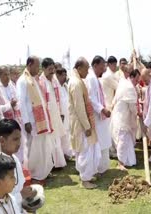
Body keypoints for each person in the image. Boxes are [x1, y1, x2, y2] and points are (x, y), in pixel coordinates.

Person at [0, 119, 40, 213]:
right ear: (2, 140)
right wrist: (20, 195)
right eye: (15, 139)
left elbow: (20, 188)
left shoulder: (15, 159)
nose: (19, 143)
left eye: (19, 138)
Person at [16, 56, 54, 182]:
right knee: (34, 149)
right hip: (32, 121)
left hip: (40, 120)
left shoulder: (33, 79)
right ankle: (35, 173)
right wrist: (26, 121)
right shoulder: (23, 81)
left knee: (43, 146)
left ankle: (43, 171)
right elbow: (21, 102)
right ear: (30, 64)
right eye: (37, 66)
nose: (38, 69)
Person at [68, 57, 101, 189]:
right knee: (84, 151)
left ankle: (88, 175)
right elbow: (79, 108)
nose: (88, 72)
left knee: (87, 149)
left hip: (83, 122)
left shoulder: (77, 81)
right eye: (87, 69)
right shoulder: (76, 83)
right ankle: (85, 180)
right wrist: (87, 126)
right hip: (81, 124)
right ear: (79, 68)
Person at [0, 66, 25, 163]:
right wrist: (9, 105)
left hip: (16, 120)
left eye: (8, 74)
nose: (8, 77)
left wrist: (15, 105)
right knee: (9, 147)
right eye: (5, 74)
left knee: (19, 144)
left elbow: (17, 100)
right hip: (5, 124)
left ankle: (19, 167)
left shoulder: (11, 85)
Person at [86, 56, 112, 175]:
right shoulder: (91, 78)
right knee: (99, 142)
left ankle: (102, 167)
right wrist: (102, 110)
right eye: (102, 67)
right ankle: (97, 167)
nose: (103, 70)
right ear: (95, 65)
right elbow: (91, 98)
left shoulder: (95, 78)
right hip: (96, 116)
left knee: (103, 140)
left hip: (100, 117)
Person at [110, 69, 140, 171]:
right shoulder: (129, 87)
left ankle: (128, 161)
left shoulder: (124, 84)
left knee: (127, 140)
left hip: (122, 117)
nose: (137, 82)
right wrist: (138, 113)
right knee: (122, 140)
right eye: (136, 80)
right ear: (131, 77)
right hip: (121, 118)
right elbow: (132, 107)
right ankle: (120, 163)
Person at [39, 58, 66, 169]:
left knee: (56, 138)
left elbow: (59, 97)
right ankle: (50, 164)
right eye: (49, 69)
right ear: (44, 69)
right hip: (46, 115)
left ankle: (58, 163)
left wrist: (61, 112)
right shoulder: (40, 81)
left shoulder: (54, 81)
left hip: (55, 113)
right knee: (48, 141)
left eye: (53, 69)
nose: (52, 71)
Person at [101, 56, 119, 159]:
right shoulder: (108, 76)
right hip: (108, 105)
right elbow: (119, 86)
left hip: (110, 104)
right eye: (114, 64)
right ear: (110, 64)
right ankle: (110, 151)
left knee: (111, 129)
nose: (115, 66)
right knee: (110, 130)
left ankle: (111, 150)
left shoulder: (111, 74)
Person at [56, 67, 74, 160]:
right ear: (57, 76)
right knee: (60, 137)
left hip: (67, 116)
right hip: (60, 116)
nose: (65, 77)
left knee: (66, 135)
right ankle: (60, 157)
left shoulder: (65, 86)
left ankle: (66, 154)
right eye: (62, 75)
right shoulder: (55, 88)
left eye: (65, 75)